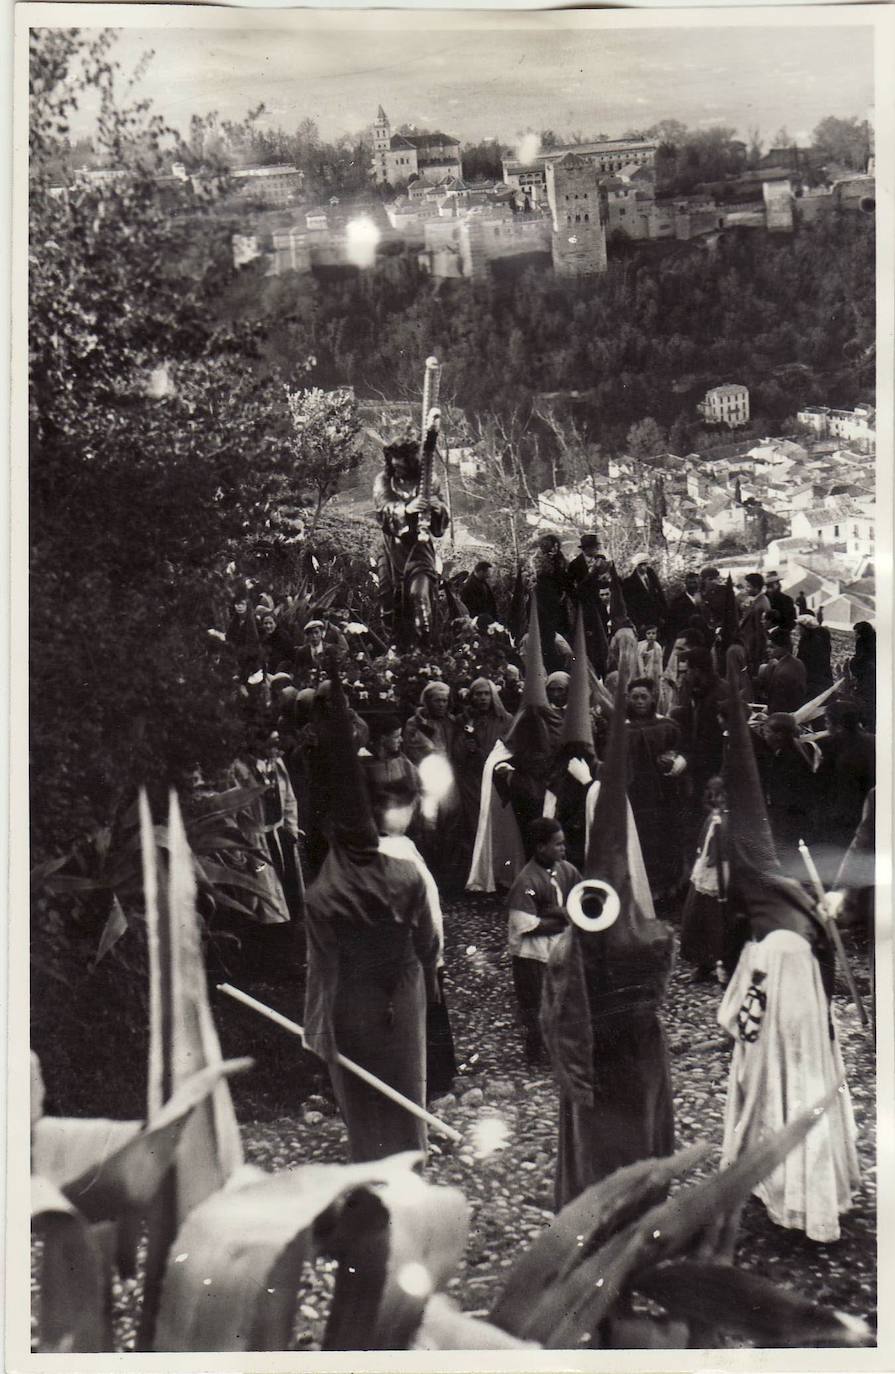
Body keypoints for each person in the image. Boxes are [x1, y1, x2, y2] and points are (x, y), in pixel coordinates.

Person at [717, 648, 859, 1243]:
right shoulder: (784, 878)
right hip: (792, 972)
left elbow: (739, 937)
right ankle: (788, 1180)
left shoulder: (748, 874)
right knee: (791, 1073)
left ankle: (790, 1187)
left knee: (777, 1075)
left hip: (779, 971)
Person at [541, 674, 675, 1207]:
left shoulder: (572, 949)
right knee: (638, 1138)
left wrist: (575, 1076)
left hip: (602, 1066)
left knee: (600, 1155)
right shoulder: (654, 939)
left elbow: (560, 1023)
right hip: (636, 1060)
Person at [303, 669, 440, 1163]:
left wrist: (315, 1028)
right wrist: (425, 971)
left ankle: (372, 1163)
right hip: (403, 986)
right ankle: (412, 1158)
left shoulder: (323, 892)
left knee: (363, 1093)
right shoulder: (406, 875)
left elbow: (321, 966)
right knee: (408, 1075)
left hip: (352, 995)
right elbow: (428, 944)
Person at [506, 818, 580, 1065]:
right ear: (540, 848)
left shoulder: (566, 870)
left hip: (558, 949)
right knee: (536, 1001)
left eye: (563, 844)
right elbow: (525, 925)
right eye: (557, 845)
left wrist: (558, 911)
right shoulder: (526, 881)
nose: (563, 849)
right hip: (532, 955)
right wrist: (560, 917)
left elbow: (581, 896)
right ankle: (535, 1048)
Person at [373, 420, 450, 647]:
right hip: (391, 548)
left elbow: (440, 522)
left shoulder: (428, 480)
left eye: (402, 466)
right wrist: (406, 510)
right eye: (393, 465)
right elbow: (383, 508)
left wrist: (437, 509)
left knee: (419, 596)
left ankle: (425, 646)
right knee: (388, 599)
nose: (397, 469)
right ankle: (397, 647)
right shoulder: (384, 480)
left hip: (418, 549)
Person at [625, 676, 688, 903]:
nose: (639, 701)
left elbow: (682, 750)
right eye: (634, 697)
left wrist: (676, 760)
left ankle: (667, 890)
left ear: (653, 699)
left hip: (663, 794)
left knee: (664, 840)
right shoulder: (622, 729)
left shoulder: (667, 726)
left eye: (644, 697)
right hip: (635, 796)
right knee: (640, 841)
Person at [679, 777, 744, 984]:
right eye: (716, 796)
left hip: (724, 872)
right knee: (699, 915)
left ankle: (724, 963)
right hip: (707, 872)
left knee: (720, 919)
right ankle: (703, 962)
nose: (719, 800)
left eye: (723, 797)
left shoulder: (732, 820)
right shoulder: (713, 818)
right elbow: (703, 844)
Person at [452, 677, 512, 870]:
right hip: (472, 780)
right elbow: (456, 753)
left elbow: (510, 749)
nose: (483, 698)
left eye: (487, 694)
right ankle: (478, 867)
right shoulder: (464, 720)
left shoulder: (505, 720)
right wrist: (467, 745)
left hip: (497, 778)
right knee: (475, 822)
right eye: (478, 694)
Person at [621, 554, 667, 641]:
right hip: (643, 622)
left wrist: (663, 615)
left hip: (657, 620)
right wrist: (638, 623)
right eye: (640, 565)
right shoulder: (629, 582)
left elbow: (660, 596)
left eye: (645, 564)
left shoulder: (652, 577)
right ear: (636, 566)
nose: (643, 567)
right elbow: (630, 606)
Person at [761, 630, 808, 714]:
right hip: (798, 710)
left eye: (772, 647)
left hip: (784, 715)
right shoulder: (798, 662)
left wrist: (768, 712)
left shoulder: (782, 673)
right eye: (767, 647)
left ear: (784, 648)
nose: (767, 650)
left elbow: (779, 704)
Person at [737, 573, 771, 680]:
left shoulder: (762, 602)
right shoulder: (754, 599)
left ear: (756, 587)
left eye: (748, 586)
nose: (746, 589)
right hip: (748, 643)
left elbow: (762, 629)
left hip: (755, 646)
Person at [846, 621, 876, 730]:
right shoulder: (872, 640)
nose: (855, 636)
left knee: (866, 704)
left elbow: (861, 660)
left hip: (867, 679)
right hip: (870, 678)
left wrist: (853, 662)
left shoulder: (863, 643)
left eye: (857, 634)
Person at [796, 614, 834, 700]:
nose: (798, 630)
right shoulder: (807, 639)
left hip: (814, 677)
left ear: (805, 628)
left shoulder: (812, 642)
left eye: (799, 628)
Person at [461, 560, 499, 627]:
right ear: (481, 572)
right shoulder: (469, 585)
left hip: (487, 617)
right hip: (478, 620)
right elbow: (470, 605)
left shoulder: (483, 582)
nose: (490, 574)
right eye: (488, 572)